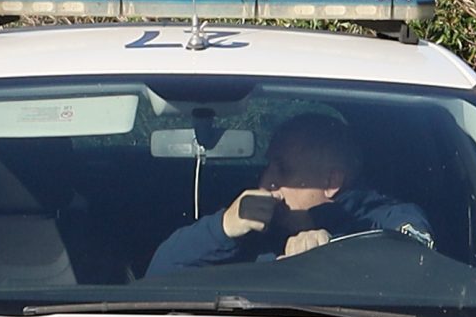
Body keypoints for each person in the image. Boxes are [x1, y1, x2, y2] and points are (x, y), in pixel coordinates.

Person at [146, 113, 431, 271]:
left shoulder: (385, 218)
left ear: (332, 182)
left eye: (281, 170)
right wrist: (224, 228)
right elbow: (163, 269)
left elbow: (415, 265)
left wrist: (335, 252)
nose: (266, 180)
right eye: (267, 166)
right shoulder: (256, 234)